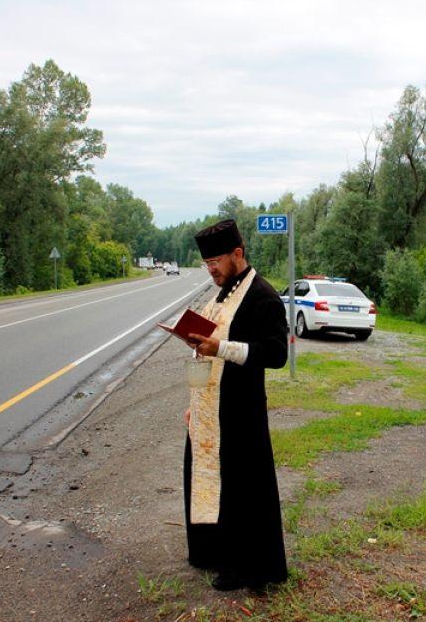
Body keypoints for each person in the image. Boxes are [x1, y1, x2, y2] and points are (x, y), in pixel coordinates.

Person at [182, 219, 289, 592]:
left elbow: (276, 355)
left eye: (215, 261)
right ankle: (215, 553)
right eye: (205, 263)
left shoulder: (263, 296)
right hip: (211, 406)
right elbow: (210, 346)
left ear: (237, 254)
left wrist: (221, 349)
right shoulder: (222, 294)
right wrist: (195, 403)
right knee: (212, 482)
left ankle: (248, 567)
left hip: (241, 410)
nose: (210, 269)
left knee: (243, 490)